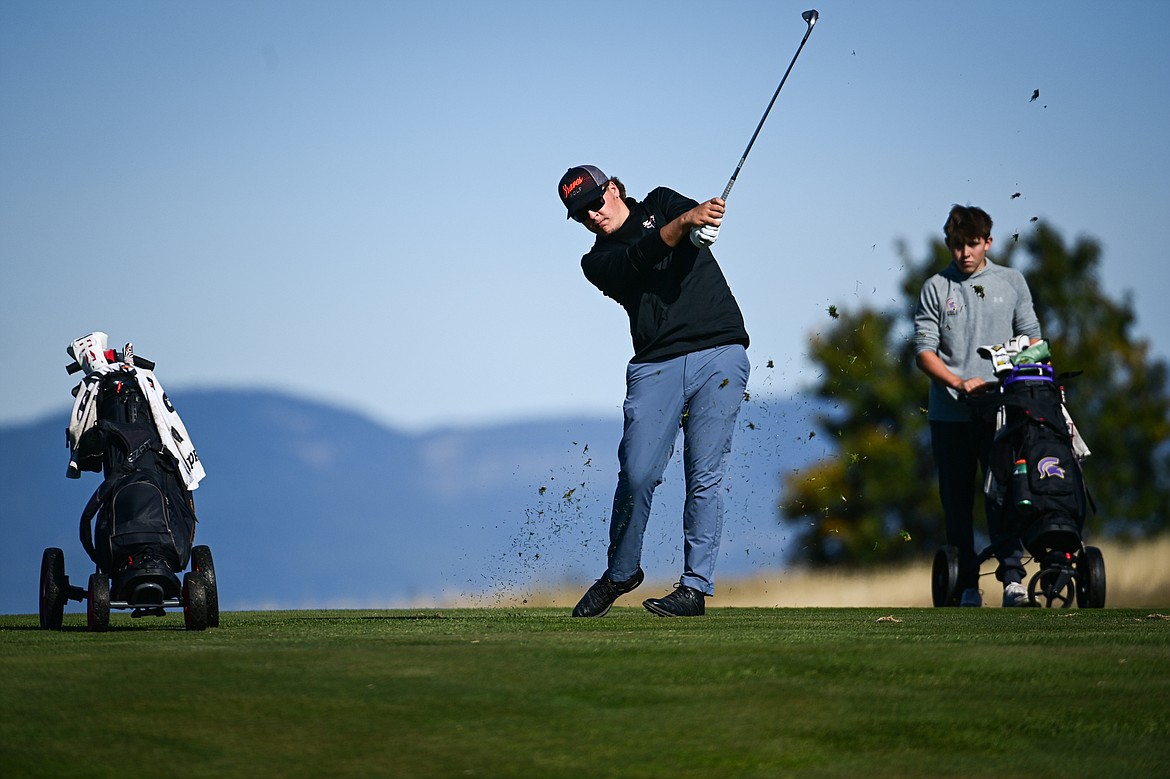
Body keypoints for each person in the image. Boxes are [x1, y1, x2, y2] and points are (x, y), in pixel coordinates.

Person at [557, 165, 750, 617]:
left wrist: (700, 227)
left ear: (614, 189)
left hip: (719, 349)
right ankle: (622, 572)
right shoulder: (596, 262)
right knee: (638, 473)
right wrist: (686, 225)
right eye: (580, 214)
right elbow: (639, 258)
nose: (591, 216)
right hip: (655, 364)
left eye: (594, 203)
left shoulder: (662, 201)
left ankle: (694, 590)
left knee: (705, 476)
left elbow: (693, 223)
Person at [913, 204, 1042, 607]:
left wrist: (1015, 378)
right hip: (950, 414)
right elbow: (924, 351)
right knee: (957, 504)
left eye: (972, 244)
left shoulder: (1011, 281)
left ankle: (1013, 580)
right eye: (956, 245)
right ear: (948, 245)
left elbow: (1033, 341)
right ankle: (967, 584)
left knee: (1004, 495)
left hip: (1003, 412)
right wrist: (958, 382)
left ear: (988, 241)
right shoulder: (937, 287)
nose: (964, 253)